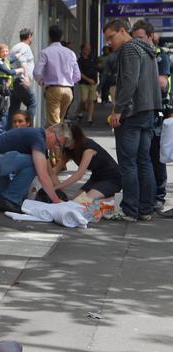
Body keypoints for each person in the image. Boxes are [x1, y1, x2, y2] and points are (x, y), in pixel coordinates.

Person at [104, 19, 161, 222]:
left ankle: (129, 210)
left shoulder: (129, 50)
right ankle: (145, 209)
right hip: (148, 111)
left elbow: (129, 81)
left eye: (111, 37)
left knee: (128, 163)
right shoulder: (148, 50)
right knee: (144, 161)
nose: (109, 42)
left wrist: (118, 110)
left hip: (133, 113)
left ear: (122, 31)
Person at [0, 124, 71, 212]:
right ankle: (10, 199)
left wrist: (65, 197)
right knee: (34, 162)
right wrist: (56, 201)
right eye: (57, 142)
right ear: (51, 131)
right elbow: (43, 175)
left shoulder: (40, 142)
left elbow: (51, 174)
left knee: (6, 197)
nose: (55, 147)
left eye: (59, 146)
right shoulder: (38, 137)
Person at [132, 20, 170, 211]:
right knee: (143, 155)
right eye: (135, 38)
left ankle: (159, 196)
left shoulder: (159, 56)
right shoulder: (135, 55)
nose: (137, 42)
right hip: (141, 111)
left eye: (140, 38)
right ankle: (146, 195)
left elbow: (162, 83)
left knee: (156, 155)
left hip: (159, 112)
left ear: (150, 37)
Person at [51, 124, 121, 200]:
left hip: (112, 179)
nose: (67, 146)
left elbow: (79, 175)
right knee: (75, 199)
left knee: (83, 201)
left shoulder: (88, 149)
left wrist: (56, 187)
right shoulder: (68, 149)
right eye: (64, 143)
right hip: (96, 178)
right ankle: (106, 198)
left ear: (76, 138)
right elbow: (56, 169)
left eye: (68, 142)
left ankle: (116, 199)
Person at [33, 24, 80, 128]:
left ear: (49, 37)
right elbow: (77, 75)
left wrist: (42, 82)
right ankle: (54, 141)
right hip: (68, 90)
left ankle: (58, 143)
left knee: (54, 124)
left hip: (53, 89)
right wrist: (70, 81)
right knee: (59, 121)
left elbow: (36, 72)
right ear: (61, 37)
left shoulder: (45, 52)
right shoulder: (70, 53)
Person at [0, 43, 24, 134]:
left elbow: (12, 58)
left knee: (3, 112)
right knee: (1, 114)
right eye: (3, 51)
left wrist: (21, 53)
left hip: (4, 92)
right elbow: (8, 71)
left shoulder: (5, 61)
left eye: (7, 51)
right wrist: (20, 70)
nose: (5, 53)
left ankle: (0, 132)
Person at [8, 28, 37, 120]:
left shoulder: (15, 47)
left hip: (14, 81)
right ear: (29, 36)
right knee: (32, 102)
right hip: (21, 80)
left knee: (14, 108)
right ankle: (29, 129)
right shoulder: (25, 47)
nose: (31, 39)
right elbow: (23, 61)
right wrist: (26, 78)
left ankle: (10, 131)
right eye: (31, 37)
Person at [76, 43, 98, 125]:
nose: (88, 51)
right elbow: (80, 73)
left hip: (93, 83)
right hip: (84, 82)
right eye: (86, 49)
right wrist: (88, 80)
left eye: (89, 49)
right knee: (84, 100)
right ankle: (79, 111)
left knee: (91, 100)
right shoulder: (80, 60)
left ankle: (90, 118)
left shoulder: (92, 59)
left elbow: (96, 69)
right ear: (82, 50)